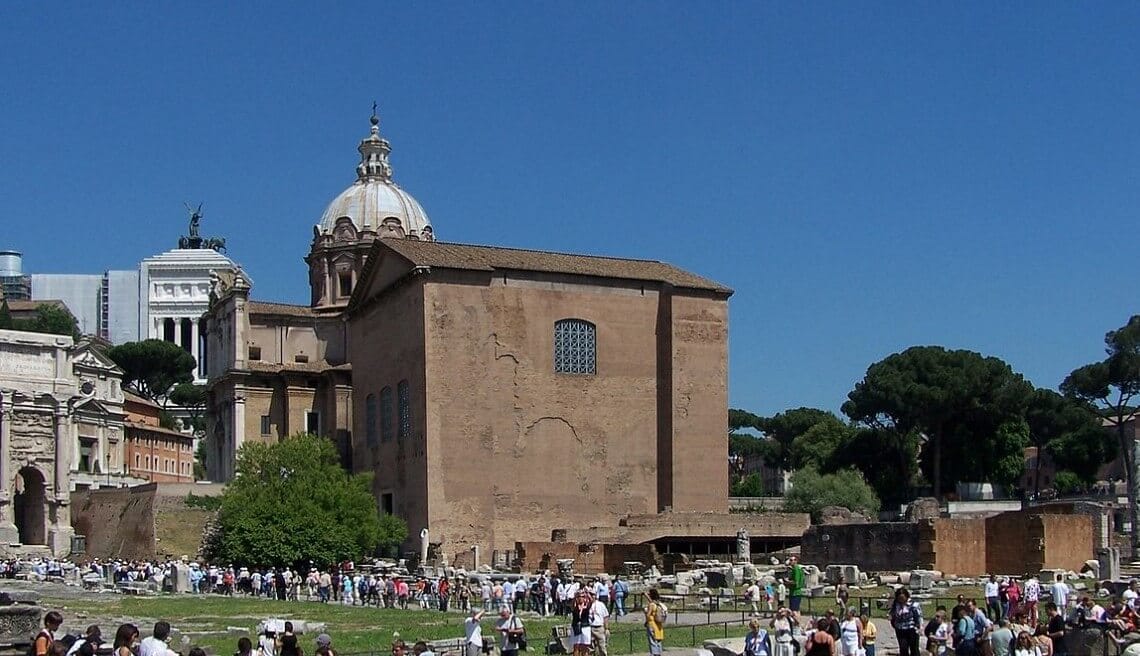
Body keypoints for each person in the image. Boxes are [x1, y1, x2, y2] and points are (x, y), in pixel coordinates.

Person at [890, 588, 923, 656]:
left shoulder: (914, 605)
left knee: (914, 649)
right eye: (899, 598)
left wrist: (920, 627)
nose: (901, 600)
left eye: (902, 598)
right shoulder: (896, 605)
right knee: (903, 648)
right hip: (900, 629)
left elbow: (919, 616)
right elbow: (892, 615)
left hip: (912, 629)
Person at [644, 589, 666, 656]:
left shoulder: (651, 605)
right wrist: (646, 595)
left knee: (652, 640)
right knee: (658, 639)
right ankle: (659, 653)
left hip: (652, 624)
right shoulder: (658, 603)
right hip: (658, 624)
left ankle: (654, 653)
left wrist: (645, 612)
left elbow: (648, 615)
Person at [570, 591, 592, 656]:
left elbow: (591, 602)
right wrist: (575, 597)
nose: (581, 598)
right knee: (576, 646)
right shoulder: (575, 607)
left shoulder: (586, 607)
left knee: (585, 646)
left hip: (585, 626)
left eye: (582, 597)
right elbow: (572, 604)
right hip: (576, 627)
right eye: (579, 596)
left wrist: (587, 594)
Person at [589, 590, 610, 656]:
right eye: (590, 595)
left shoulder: (600, 604)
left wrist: (606, 628)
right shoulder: (587, 605)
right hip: (590, 627)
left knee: (602, 646)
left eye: (593, 595)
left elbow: (606, 616)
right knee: (590, 647)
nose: (592, 597)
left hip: (599, 628)